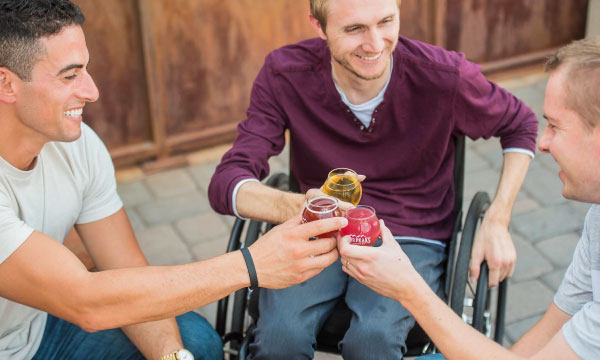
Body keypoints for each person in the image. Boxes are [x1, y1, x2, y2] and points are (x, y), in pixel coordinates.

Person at [0, 1, 346, 359]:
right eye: (69, 76)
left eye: (86, 70)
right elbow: (86, 302)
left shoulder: (77, 144)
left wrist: (172, 355)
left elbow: (125, 267)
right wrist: (253, 264)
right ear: (6, 83)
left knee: (194, 343)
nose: (91, 91)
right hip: (54, 319)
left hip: (40, 325)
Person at [208, 0, 538, 358]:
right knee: (277, 338)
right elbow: (226, 182)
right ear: (318, 27)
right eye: (354, 29)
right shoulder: (285, 73)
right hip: (321, 227)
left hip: (413, 233)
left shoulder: (443, 76)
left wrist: (498, 218)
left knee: (373, 339)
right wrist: (296, 205)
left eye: (386, 21)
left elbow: (520, 123)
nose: (375, 43)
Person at [338, 36, 600, 359]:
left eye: (556, 127)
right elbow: (550, 333)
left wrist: (408, 287)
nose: (543, 143)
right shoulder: (597, 216)